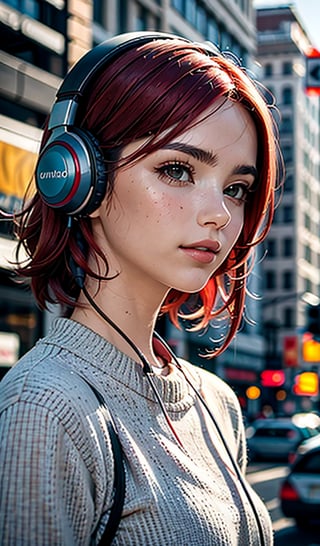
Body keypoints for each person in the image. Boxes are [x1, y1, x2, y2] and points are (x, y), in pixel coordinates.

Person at [0, 31, 280, 545]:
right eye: (177, 170)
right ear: (80, 178)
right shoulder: (45, 407)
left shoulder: (216, 402)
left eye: (236, 188)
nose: (219, 213)